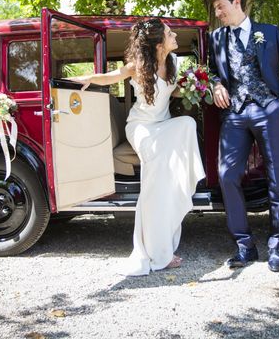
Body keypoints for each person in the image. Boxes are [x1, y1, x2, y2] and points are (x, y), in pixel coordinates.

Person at [71, 19, 205, 276]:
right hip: (142, 127)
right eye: (169, 33)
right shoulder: (138, 66)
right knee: (155, 184)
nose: (174, 35)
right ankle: (154, 252)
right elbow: (111, 76)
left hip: (163, 124)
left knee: (187, 123)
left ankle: (165, 239)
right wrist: (86, 78)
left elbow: (171, 92)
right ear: (158, 42)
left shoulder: (173, 62)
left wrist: (193, 87)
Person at [208, 0, 279, 272]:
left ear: (236, 2)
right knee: (227, 175)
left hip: (268, 110)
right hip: (235, 113)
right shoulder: (216, 38)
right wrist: (216, 85)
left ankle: (277, 244)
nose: (218, 13)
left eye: (220, 7)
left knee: (278, 177)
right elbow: (214, 69)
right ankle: (244, 245)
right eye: (216, 8)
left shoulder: (270, 33)